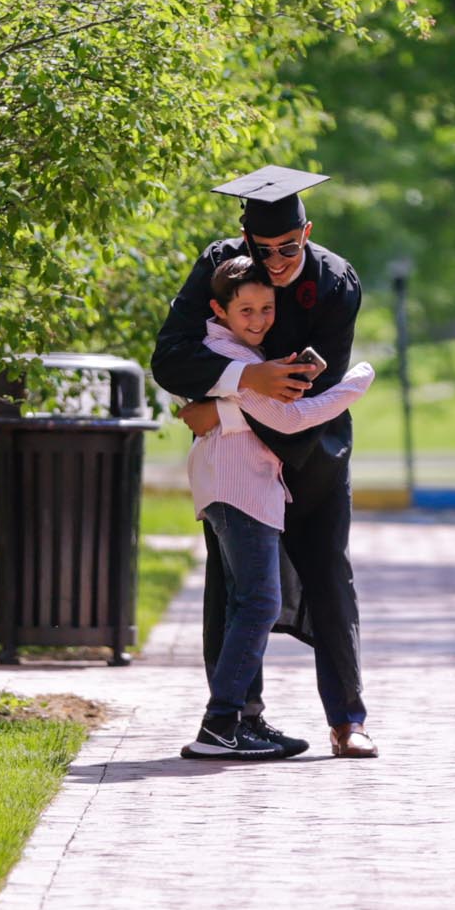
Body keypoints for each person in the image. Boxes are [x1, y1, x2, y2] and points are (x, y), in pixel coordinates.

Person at [152, 164, 379, 759]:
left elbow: (307, 389)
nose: (275, 261)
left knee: (329, 577)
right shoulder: (222, 264)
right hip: (241, 467)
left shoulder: (336, 281)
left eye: (286, 247)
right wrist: (249, 376)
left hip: (314, 451)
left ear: (306, 234)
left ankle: (347, 720)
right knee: (236, 589)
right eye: (263, 247)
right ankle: (239, 720)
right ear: (245, 238)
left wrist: (219, 408)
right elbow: (171, 358)